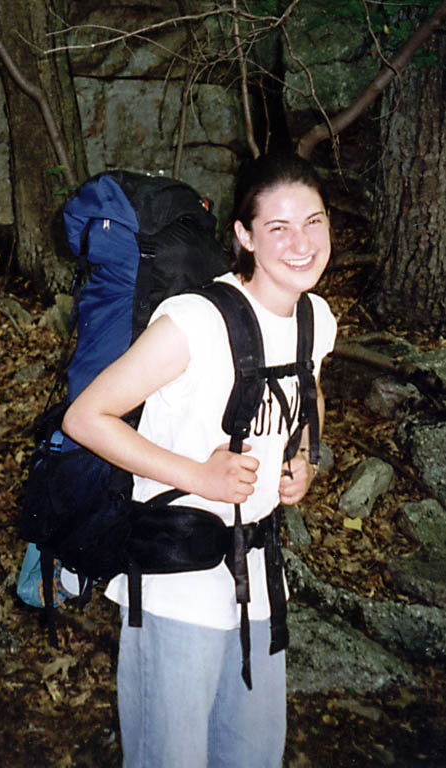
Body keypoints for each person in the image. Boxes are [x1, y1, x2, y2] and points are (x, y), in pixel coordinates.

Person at [62, 153, 337, 768]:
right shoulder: (193, 321)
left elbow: (309, 389)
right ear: (243, 235)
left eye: (313, 222)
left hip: (261, 583)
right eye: (279, 228)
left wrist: (303, 459)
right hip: (176, 586)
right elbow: (85, 418)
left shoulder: (316, 318)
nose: (302, 244)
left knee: (254, 757)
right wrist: (200, 477)